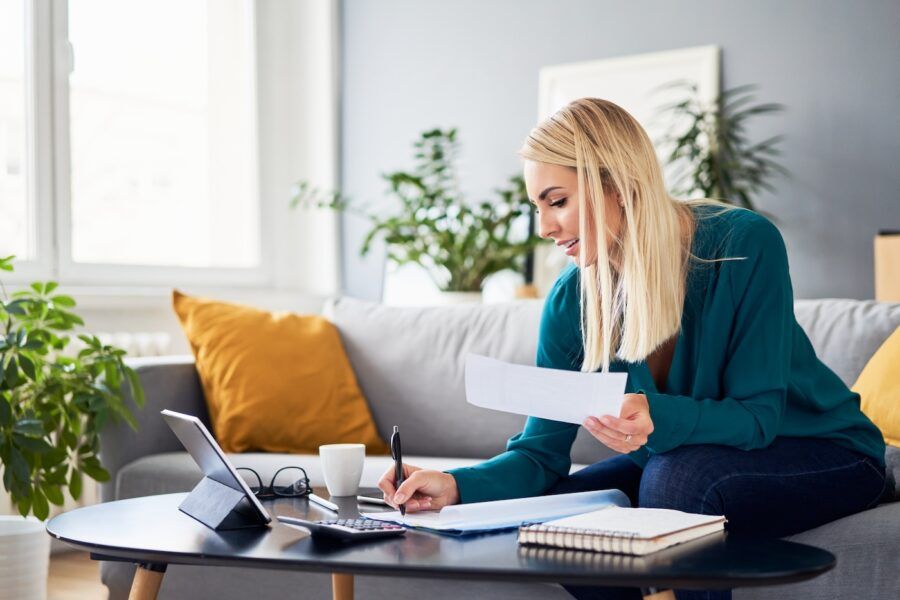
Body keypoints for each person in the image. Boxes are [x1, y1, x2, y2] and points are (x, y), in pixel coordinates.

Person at [377, 98, 889, 600]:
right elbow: (541, 453)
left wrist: (655, 417)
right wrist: (454, 485)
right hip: (688, 459)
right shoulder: (572, 298)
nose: (544, 228)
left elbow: (758, 418)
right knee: (556, 524)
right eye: (537, 207)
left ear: (618, 185)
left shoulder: (743, 244)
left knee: (675, 480)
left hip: (826, 453)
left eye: (557, 201)